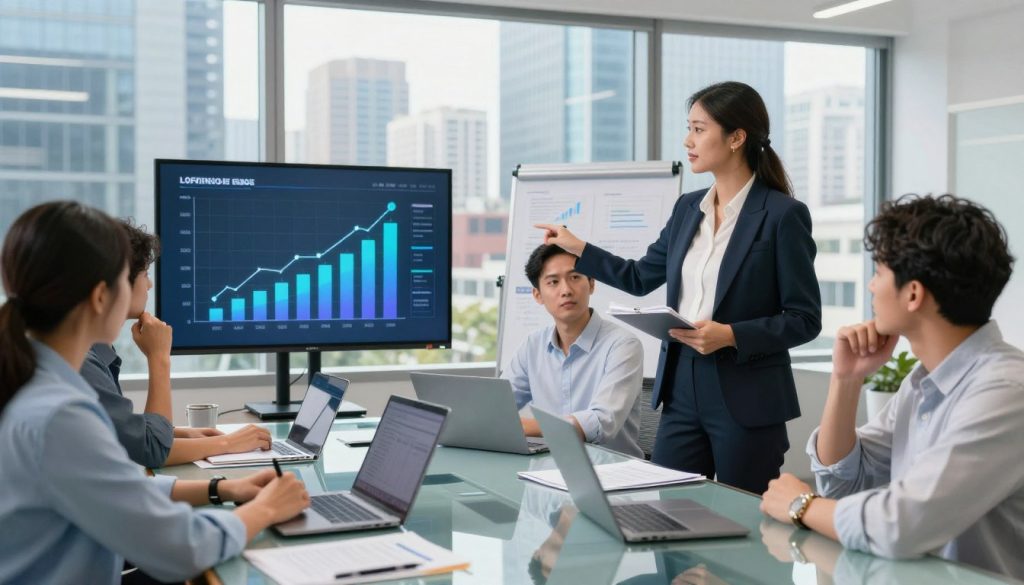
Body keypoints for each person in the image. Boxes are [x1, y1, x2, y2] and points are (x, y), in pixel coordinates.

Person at [0, 201, 310, 584]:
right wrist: (267, 509)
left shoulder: (35, 380)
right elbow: (182, 548)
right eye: (132, 275)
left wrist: (225, 488)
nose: (147, 285)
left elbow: (116, 489)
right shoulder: (60, 417)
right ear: (101, 297)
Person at [537, 81, 821, 492]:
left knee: (744, 514)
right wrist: (578, 248)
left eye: (699, 129)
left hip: (747, 393)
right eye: (689, 128)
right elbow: (639, 277)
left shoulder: (781, 215)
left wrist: (731, 335)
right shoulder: (688, 208)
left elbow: (804, 319)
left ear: (737, 137)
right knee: (668, 506)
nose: (688, 140)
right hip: (682, 386)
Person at [761, 194, 1024, 580]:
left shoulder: (1006, 391)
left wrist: (801, 505)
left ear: (913, 294)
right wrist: (847, 379)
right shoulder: (923, 383)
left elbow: (901, 524)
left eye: (879, 272)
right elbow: (844, 484)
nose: (871, 286)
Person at [80, 219, 272, 468]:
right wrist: (159, 357)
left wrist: (177, 434)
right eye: (145, 275)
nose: (150, 285)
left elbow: (125, 439)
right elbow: (151, 449)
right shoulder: (84, 364)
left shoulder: (90, 352)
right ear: (113, 286)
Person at [502, 243, 645, 457]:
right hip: (546, 467)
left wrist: (527, 426)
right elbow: (497, 407)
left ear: (592, 284)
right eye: (553, 282)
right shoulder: (533, 345)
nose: (566, 290)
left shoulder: (623, 344)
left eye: (575, 277)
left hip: (610, 470)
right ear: (538, 295)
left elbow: (601, 422)